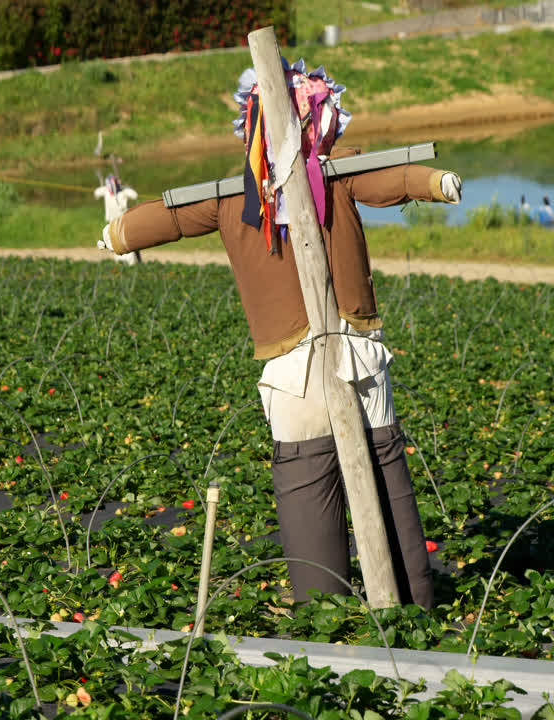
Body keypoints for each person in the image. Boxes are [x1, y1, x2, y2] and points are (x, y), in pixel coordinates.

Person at [100, 60, 464, 609]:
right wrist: (434, 184)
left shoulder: (264, 191)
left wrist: (121, 233)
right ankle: (389, 604)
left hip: (317, 368)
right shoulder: (274, 187)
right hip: (333, 363)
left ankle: (344, 608)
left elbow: (394, 175)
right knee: (374, 480)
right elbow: (393, 178)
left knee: (318, 488)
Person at [94, 173, 141, 265]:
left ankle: (133, 262)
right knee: (116, 242)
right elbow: (97, 193)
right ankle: (120, 261)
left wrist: (122, 186)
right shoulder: (106, 192)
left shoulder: (123, 192)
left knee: (125, 241)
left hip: (123, 221)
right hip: (112, 222)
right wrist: (106, 186)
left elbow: (135, 195)